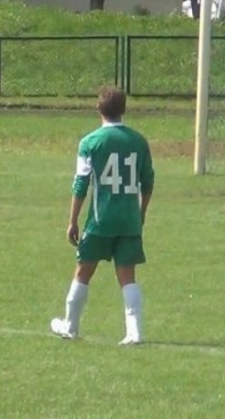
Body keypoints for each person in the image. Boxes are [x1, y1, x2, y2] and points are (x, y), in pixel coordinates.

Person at [50, 86, 155, 345]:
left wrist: (73, 220)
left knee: (83, 272)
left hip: (100, 220)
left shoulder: (90, 142)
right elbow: (148, 181)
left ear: (99, 109)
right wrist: (141, 213)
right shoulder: (139, 141)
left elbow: (81, 183)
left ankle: (71, 326)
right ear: (124, 110)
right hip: (129, 220)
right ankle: (135, 332)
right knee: (127, 276)